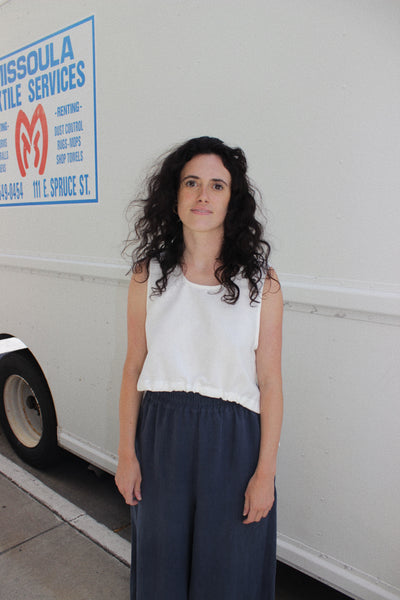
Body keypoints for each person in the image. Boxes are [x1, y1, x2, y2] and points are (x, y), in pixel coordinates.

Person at [115, 136, 283, 600]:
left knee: (228, 572)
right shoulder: (147, 275)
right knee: (161, 569)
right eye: (192, 183)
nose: (203, 195)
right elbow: (133, 367)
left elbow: (270, 382)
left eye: (216, 185)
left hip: (234, 443)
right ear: (175, 195)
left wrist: (264, 472)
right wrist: (126, 455)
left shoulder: (261, 284)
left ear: (234, 200)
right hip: (161, 435)